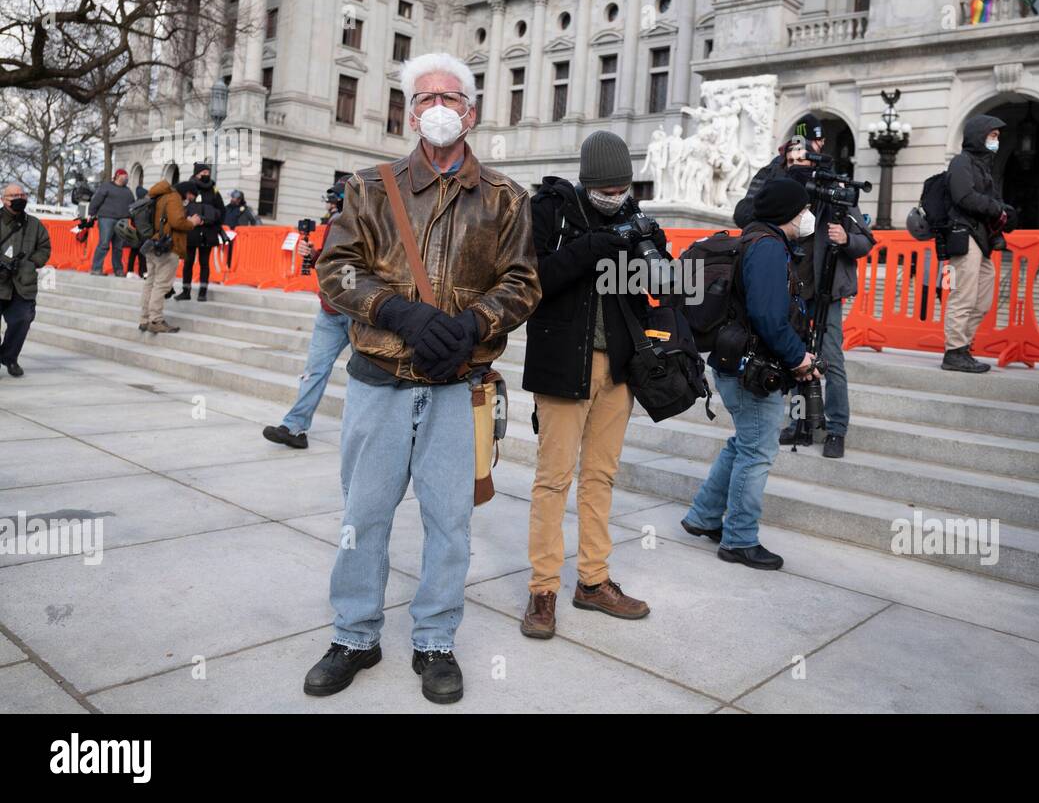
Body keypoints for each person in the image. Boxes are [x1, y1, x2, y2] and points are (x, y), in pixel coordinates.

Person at [308, 52, 540, 704]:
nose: (437, 107)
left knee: (451, 521)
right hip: (379, 375)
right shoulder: (369, 187)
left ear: (472, 110)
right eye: (423, 97)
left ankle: (435, 638)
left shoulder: (505, 197)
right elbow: (338, 269)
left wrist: (472, 326)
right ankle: (355, 633)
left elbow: (523, 283)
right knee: (364, 515)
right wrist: (397, 310)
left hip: (457, 385)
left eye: (450, 96)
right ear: (410, 111)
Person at [519, 130, 660, 640]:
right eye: (607, 188)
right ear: (588, 183)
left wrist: (650, 257)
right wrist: (594, 247)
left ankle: (594, 581)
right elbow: (532, 280)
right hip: (563, 364)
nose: (616, 196)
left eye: (623, 188)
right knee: (553, 479)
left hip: (618, 368)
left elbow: (651, 291)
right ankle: (543, 589)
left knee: (601, 477)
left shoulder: (633, 217)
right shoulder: (550, 210)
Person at [683, 178, 819, 570]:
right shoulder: (768, 248)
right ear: (789, 213)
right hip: (751, 368)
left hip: (737, 362)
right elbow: (768, 317)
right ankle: (740, 539)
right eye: (804, 209)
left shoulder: (758, 241)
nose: (808, 215)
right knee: (757, 451)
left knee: (744, 443)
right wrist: (799, 358)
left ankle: (703, 516)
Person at [733, 114, 873, 458]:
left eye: (804, 158)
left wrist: (846, 239)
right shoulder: (777, 186)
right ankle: (801, 424)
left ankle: (836, 428)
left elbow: (866, 239)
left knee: (831, 360)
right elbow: (744, 212)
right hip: (792, 288)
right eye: (792, 159)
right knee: (795, 357)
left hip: (826, 289)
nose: (798, 164)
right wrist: (780, 177)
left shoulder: (833, 190)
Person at [263, 182, 348, 450]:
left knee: (368, 375)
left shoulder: (364, 223)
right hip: (331, 310)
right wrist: (313, 254)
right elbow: (332, 260)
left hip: (355, 313)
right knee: (314, 370)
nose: (328, 206)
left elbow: (352, 267)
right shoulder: (336, 223)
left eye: (333, 201)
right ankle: (295, 427)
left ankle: (378, 431)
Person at [941, 114, 1009, 373]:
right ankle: (954, 351)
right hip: (963, 234)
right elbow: (963, 196)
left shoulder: (985, 167)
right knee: (963, 296)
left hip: (983, 240)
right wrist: (996, 207)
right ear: (978, 136)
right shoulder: (961, 162)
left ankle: (964, 347)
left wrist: (1005, 211)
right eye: (992, 136)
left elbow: (991, 202)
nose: (996, 141)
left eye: (998, 137)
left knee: (983, 300)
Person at [0, 184, 51, 377]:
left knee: (22, 319)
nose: (18, 198)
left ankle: (9, 357)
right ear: (4, 199)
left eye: (21, 194)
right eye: (13, 195)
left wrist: (31, 263)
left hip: (23, 281)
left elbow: (44, 247)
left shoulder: (34, 224)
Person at [137, 178, 195, 334]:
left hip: (153, 243)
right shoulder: (174, 197)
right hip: (167, 247)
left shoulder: (161, 196)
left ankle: (145, 319)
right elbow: (177, 222)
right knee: (161, 285)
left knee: (150, 283)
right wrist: (192, 222)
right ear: (187, 192)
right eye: (192, 196)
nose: (191, 200)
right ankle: (155, 320)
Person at [177, 163, 224, 302]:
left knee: (204, 263)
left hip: (208, 232)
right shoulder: (188, 187)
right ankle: (186, 291)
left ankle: (202, 292)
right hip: (191, 230)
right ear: (196, 173)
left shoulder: (214, 190)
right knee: (188, 262)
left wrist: (214, 223)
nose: (206, 174)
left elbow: (221, 210)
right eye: (203, 172)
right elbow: (180, 207)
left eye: (207, 172)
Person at [87, 168, 134, 277]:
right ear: (118, 176)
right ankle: (96, 268)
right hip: (106, 219)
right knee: (104, 244)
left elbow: (132, 206)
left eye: (127, 177)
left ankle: (118, 270)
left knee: (118, 247)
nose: (126, 179)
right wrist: (91, 213)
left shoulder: (128, 191)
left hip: (122, 221)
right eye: (124, 176)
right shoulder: (106, 187)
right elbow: (96, 200)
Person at [222, 188, 260, 269]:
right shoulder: (226, 208)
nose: (232, 199)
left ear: (239, 199)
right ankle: (228, 269)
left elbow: (256, 221)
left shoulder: (246, 209)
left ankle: (236, 270)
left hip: (239, 237)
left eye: (234, 198)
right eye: (231, 197)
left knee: (237, 255)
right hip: (226, 236)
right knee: (227, 254)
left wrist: (253, 233)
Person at [124, 181, 149, 279]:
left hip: (133, 233)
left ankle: (130, 271)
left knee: (134, 253)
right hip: (142, 233)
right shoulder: (144, 206)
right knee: (142, 253)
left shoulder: (133, 206)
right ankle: (143, 272)